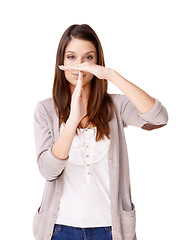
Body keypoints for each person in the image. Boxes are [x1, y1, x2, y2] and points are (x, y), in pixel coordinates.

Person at [33, 24, 168, 240]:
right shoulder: (45, 110)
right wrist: (72, 121)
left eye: (88, 58)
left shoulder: (115, 106)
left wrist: (112, 75)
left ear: (97, 62)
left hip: (110, 230)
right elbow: (48, 171)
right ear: (61, 62)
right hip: (59, 229)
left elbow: (159, 117)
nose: (80, 66)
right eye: (71, 57)